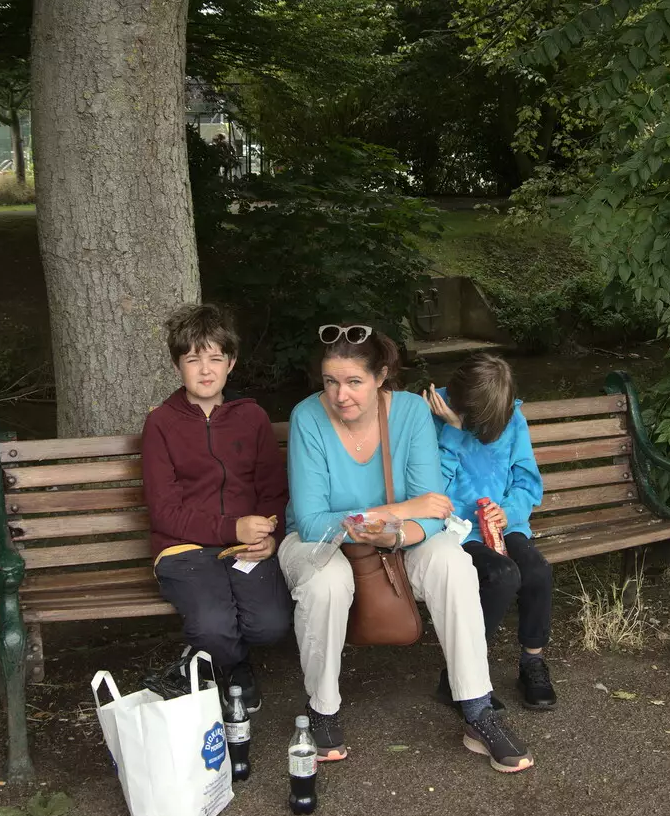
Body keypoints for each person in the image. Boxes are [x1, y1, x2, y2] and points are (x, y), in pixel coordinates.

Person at [278, 324, 535, 772]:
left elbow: (434, 513)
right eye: (331, 381)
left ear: (381, 377)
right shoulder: (307, 417)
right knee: (327, 584)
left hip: (397, 540)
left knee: (453, 562)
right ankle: (322, 707)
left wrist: (395, 532)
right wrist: (399, 509)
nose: (341, 395)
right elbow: (314, 520)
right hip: (319, 543)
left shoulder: (412, 412)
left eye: (355, 381)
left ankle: (477, 709)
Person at [141, 304, 289, 710]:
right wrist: (231, 528)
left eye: (215, 358)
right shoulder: (161, 424)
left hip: (245, 548)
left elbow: (273, 490)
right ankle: (231, 667)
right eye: (193, 359)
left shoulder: (252, 417)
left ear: (231, 363)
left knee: (271, 626)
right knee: (212, 626)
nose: (205, 370)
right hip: (183, 549)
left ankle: (209, 655)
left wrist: (270, 537)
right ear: (178, 366)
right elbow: (164, 510)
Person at [424, 354, 557, 711]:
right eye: (475, 423)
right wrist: (453, 430)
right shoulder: (433, 417)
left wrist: (508, 511)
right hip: (457, 528)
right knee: (501, 576)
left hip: (502, 522)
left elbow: (527, 483)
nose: (483, 431)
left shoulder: (510, 418)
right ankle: (459, 674)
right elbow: (432, 490)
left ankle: (532, 662)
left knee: (537, 571)